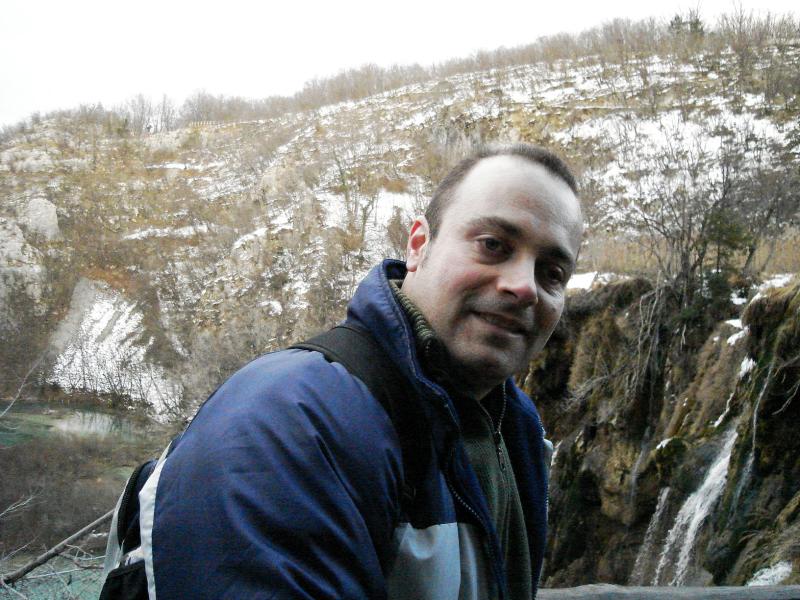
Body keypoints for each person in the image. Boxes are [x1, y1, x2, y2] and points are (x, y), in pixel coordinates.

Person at [127, 143, 583, 599]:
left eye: (552, 273)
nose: (524, 287)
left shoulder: (513, 429)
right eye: (493, 246)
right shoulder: (290, 422)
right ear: (419, 245)